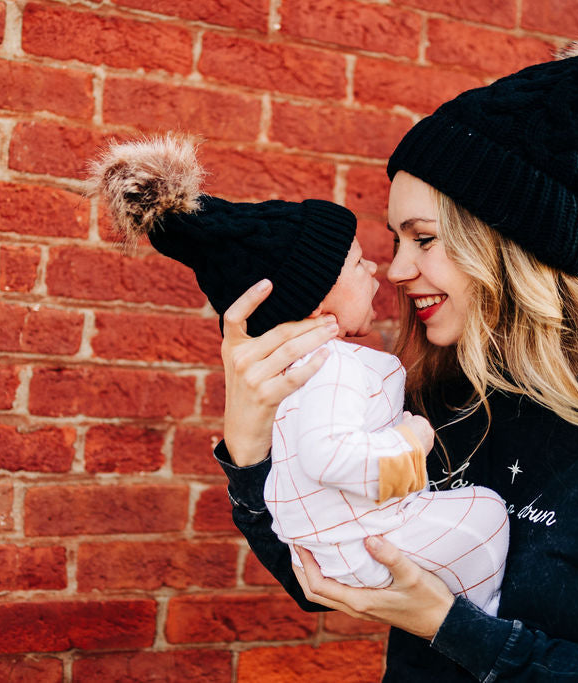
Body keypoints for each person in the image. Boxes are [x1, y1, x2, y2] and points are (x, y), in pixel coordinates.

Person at [211, 23, 578, 682]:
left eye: (423, 238)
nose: (396, 269)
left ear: (509, 246)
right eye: (394, 240)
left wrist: (453, 626)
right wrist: (248, 447)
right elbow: (329, 571)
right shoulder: (445, 398)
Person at [90, 135, 509, 611]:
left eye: (424, 238)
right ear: (315, 304)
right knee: (486, 518)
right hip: (371, 549)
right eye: (356, 262)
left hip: (354, 551)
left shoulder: (308, 379)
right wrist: (411, 443)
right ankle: (488, 614)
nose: (383, 267)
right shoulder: (334, 371)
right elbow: (330, 465)